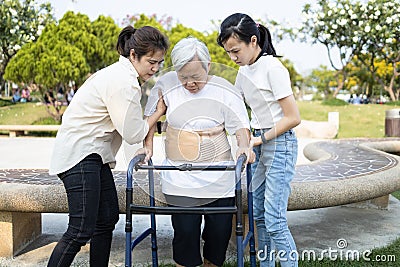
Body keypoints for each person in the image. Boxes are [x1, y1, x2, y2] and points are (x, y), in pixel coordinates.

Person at [47, 25, 169, 267]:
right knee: (80, 229)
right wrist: (158, 113)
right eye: (151, 62)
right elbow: (133, 132)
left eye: (160, 63)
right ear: (133, 55)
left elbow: (132, 124)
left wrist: (154, 126)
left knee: (106, 218)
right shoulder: (123, 82)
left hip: (93, 156)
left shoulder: (120, 75)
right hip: (80, 155)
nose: (155, 69)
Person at [141, 37, 255, 267]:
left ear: (209, 66)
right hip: (180, 175)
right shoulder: (165, 84)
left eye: (196, 77)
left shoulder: (224, 89)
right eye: (184, 77)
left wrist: (243, 146)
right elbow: (150, 120)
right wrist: (148, 147)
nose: (189, 83)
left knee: (220, 231)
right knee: (185, 231)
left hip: (219, 175)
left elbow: (241, 126)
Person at [217, 13, 301, 267]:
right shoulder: (244, 71)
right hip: (259, 144)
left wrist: (259, 139)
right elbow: (233, 106)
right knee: (258, 215)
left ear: (253, 41)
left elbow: (293, 117)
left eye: (235, 50)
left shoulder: (273, 68)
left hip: (279, 144)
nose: (233, 57)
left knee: (274, 219)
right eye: (228, 52)